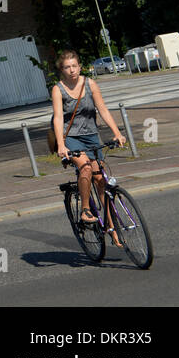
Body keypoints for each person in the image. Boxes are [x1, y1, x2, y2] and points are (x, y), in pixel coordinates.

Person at [51, 50, 126, 240]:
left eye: (74, 66)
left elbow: (103, 110)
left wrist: (117, 133)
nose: (72, 70)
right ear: (62, 69)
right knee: (84, 168)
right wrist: (61, 145)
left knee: (100, 180)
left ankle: (111, 227)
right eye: (67, 67)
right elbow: (58, 118)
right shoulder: (58, 89)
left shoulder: (90, 84)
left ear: (80, 66)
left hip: (92, 135)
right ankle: (85, 210)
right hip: (71, 137)